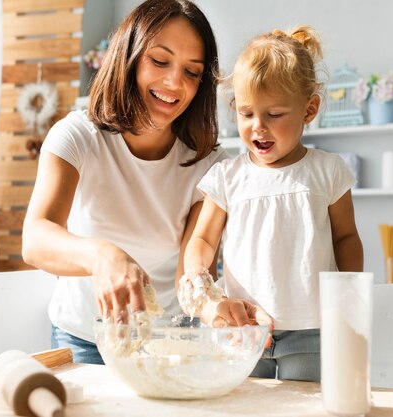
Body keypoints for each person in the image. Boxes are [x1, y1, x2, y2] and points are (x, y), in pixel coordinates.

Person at [22, 0, 268, 365]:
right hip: (83, 339)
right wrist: (102, 256)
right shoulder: (77, 136)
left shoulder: (208, 164)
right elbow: (36, 239)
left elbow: (192, 271)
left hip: (166, 344)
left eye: (192, 71)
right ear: (129, 57)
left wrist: (216, 308)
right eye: (160, 60)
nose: (174, 83)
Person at [179, 26, 364, 382]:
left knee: (305, 407)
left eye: (274, 114)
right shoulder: (227, 177)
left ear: (309, 109)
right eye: (247, 114)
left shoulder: (328, 171)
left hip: (313, 326)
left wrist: (350, 292)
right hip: (243, 325)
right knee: (246, 405)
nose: (258, 127)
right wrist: (199, 277)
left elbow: (346, 238)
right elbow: (201, 241)